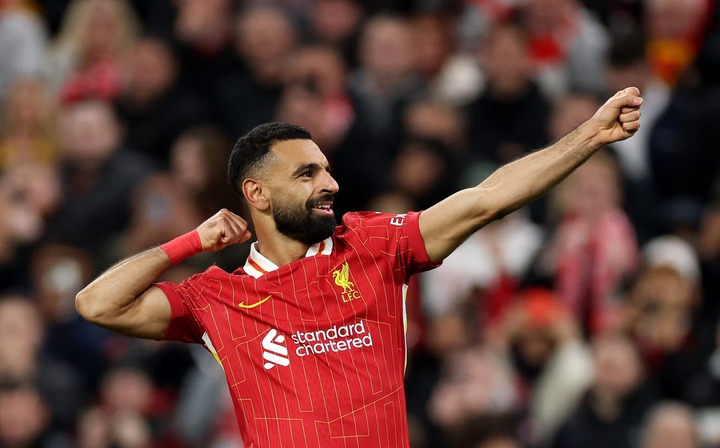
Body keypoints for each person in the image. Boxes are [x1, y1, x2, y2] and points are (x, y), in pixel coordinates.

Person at [75, 87, 643, 447]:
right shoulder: (215, 297)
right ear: (257, 193)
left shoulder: (372, 245)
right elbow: (96, 304)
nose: (331, 184)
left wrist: (589, 137)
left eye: (326, 169)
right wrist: (190, 243)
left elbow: (485, 199)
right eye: (307, 175)